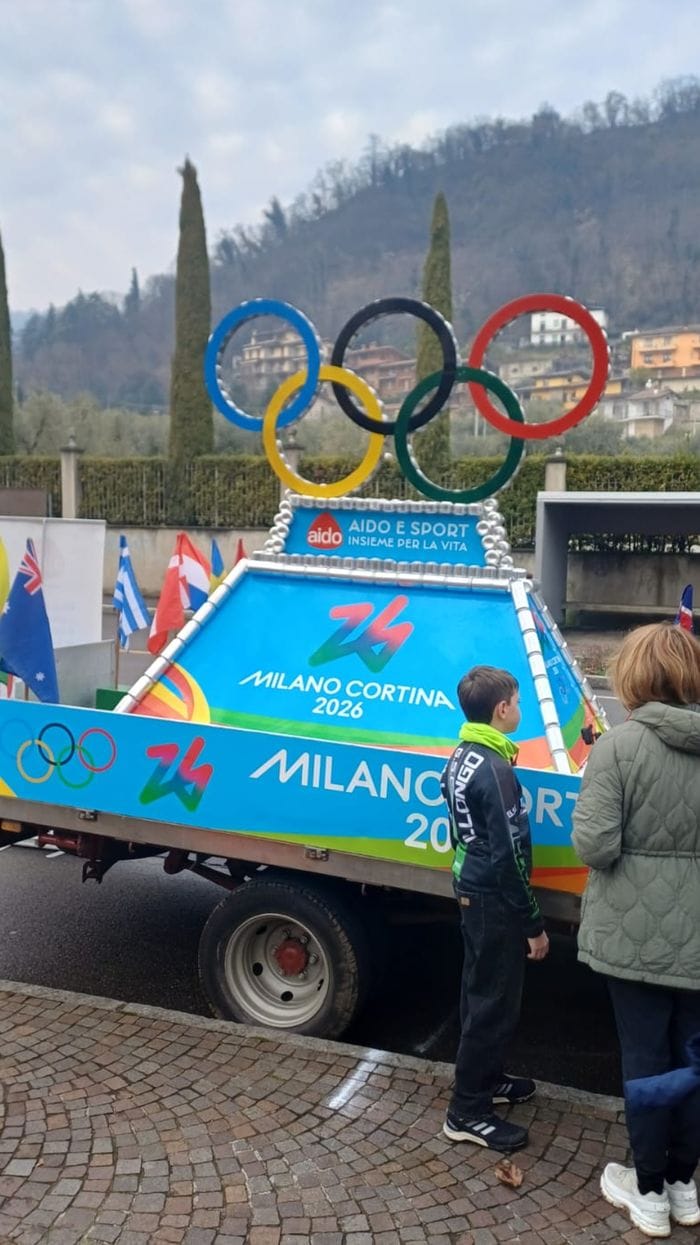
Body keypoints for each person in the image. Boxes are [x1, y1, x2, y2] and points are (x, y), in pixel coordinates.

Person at [572, 622, 700, 1239]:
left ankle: (648, 1191)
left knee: (648, 1059)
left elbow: (595, 847)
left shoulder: (618, 748)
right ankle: (684, 1183)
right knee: (693, 1058)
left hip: (636, 936)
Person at [441, 665, 549, 1154]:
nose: (520, 710)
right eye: (518, 703)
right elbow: (508, 857)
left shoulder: (463, 753)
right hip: (493, 898)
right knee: (492, 1002)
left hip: (472, 888)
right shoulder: (495, 768)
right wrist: (534, 925)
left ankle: (486, 1080)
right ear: (501, 709)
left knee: (478, 990)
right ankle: (467, 1111)